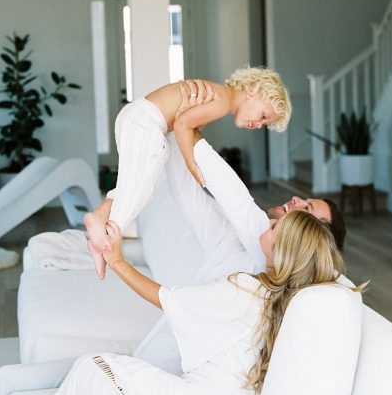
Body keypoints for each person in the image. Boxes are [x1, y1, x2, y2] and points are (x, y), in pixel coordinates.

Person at [0, 108, 348, 395]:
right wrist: (174, 128)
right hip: (143, 370)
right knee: (6, 381)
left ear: (304, 243)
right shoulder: (241, 249)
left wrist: (191, 122)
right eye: (297, 208)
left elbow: (228, 211)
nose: (295, 203)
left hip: (159, 386)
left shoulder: (260, 280)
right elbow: (202, 192)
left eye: (308, 213)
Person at [6, 209, 362, 395]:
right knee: (89, 382)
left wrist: (116, 260)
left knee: (93, 370)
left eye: (274, 228)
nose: (268, 224)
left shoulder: (247, 288)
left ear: (283, 248)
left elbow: (165, 298)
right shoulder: (278, 299)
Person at [85, 68, 292, 278]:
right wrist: (192, 164)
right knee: (140, 188)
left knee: (134, 184)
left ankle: (100, 219)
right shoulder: (221, 100)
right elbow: (183, 125)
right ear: (253, 91)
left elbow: (185, 123)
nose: (258, 125)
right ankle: (106, 238)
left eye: (264, 124)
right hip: (146, 123)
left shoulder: (217, 95)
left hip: (136, 118)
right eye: (263, 116)